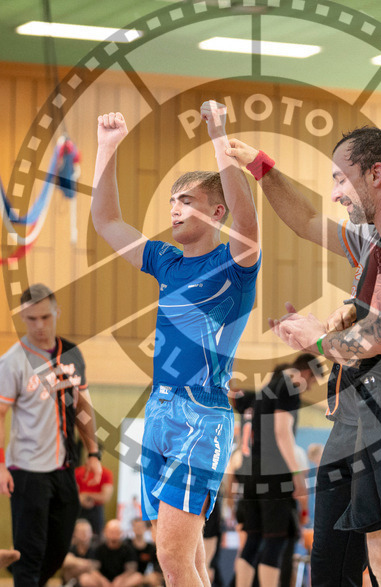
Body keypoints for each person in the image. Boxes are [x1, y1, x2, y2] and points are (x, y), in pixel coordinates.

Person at [224, 135, 381, 587]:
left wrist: (319, 341)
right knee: (351, 561)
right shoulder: (374, 241)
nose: (340, 190)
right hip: (360, 418)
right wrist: (261, 167)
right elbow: (305, 220)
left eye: (348, 178)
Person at [92, 103, 261, 587]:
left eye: (187, 200)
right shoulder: (166, 261)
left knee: (171, 557)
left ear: (216, 211)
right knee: (189, 559)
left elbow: (248, 222)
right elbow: (106, 221)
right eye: (171, 200)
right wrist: (107, 149)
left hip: (202, 417)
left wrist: (219, 138)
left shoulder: (236, 266)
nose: (174, 209)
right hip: (160, 411)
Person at [0, 283, 103, 587]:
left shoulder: (72, 354)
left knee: (59, 545)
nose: (39, 325)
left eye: (45, 317)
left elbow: (82, 407)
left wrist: (94, 453)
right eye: (31, 319)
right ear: (23, 318)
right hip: (27, 470)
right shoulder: (12, 361)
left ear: (56, 313)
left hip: (64, 467)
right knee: (30, 551)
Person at [235, 354, 323, 587]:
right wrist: (296, 475)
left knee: (252, 539)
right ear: (305, 373)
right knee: (275, 541)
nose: (308, 387)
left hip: (252, 469)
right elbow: (282, 433)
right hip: (274, 473)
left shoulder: (266, 388)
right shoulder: (289, 387)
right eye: (312, 382)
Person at [76, 446, 114, 537]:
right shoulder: (77, 472)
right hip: (79, 508)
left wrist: (85, 495)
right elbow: (72, 493)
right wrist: (81, 499)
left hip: (96, 510)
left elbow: (105, 496)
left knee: (96, 536)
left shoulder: (106, 473)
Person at [93, 520, 142, 587]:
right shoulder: (99, 548)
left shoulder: (127, 548)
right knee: (85, 578)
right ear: (105, 532)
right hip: (103, 581)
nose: (114, 535)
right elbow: (93, 569)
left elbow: (132, 569)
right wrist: (102, 580)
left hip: (121, 582)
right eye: (111, 532)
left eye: (116, 532)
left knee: (138, 577)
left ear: (121, 533)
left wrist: (121, 578)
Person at [62, 520, 104, 587]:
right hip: (70, 580)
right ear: (75, 533)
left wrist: (75, 562)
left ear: (91, 533)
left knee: (86, 578)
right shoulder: (70, 546)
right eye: (81, 532)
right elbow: (64, 561)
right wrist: (86, 564)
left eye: (87, 531)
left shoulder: (96, 548)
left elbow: (97, 565)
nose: (85, 534)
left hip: (89, 580)